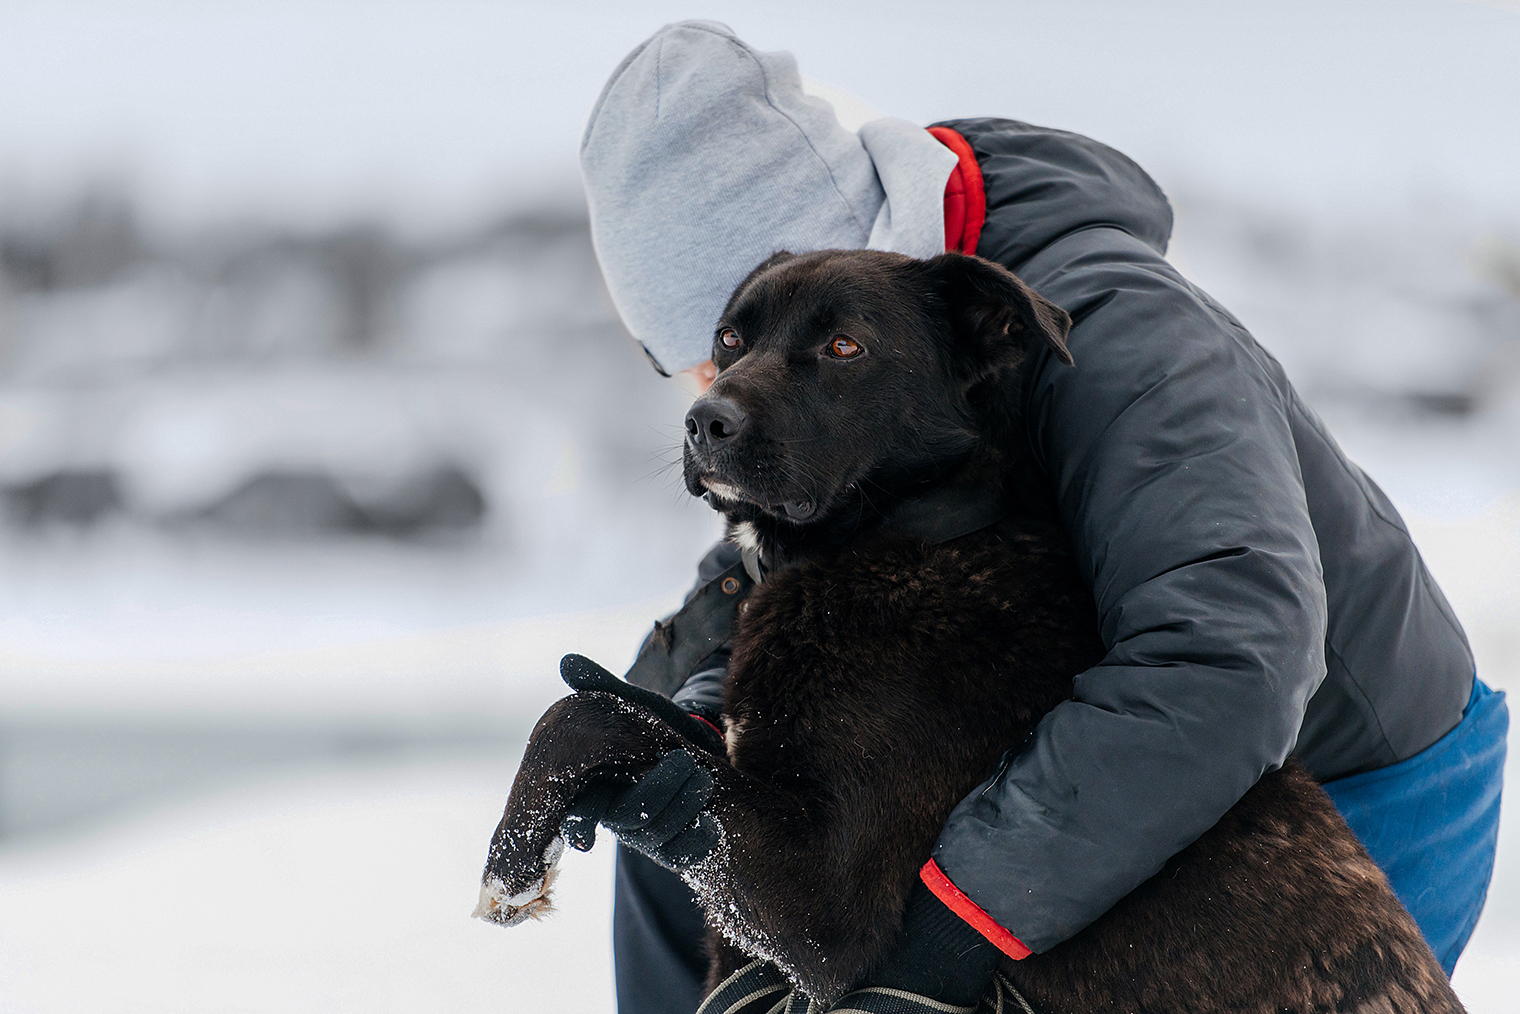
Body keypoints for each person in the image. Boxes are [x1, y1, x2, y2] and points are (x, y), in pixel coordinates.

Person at [575, 21, 1507, 1014]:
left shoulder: (1120, 333)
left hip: (1339, 778)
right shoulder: (871, 365)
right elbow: (795, 562)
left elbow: (1227, 660)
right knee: (688, 836)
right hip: (1109, 738)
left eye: (738, 358)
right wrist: (679, 697)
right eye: (711, 367)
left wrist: (948, 932)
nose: (723, 396)